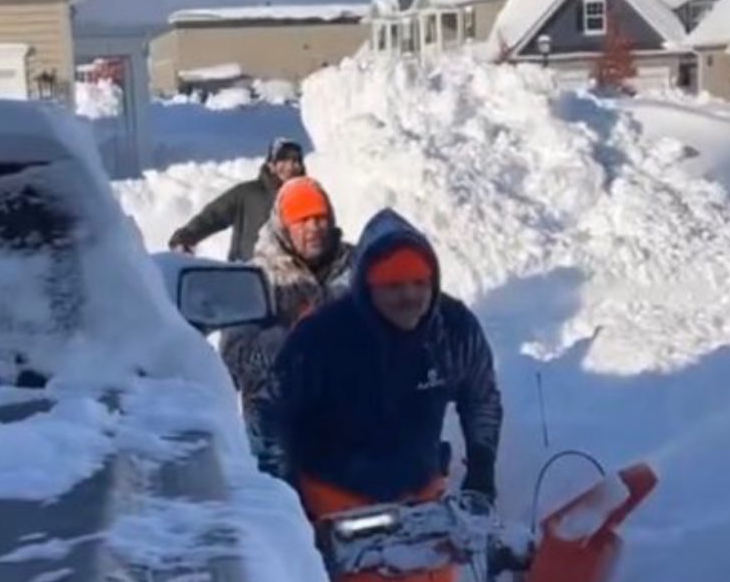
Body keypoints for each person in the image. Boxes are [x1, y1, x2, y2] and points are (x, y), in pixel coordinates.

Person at [252, 208, 501, 521]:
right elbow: (269, 415)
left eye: (419, 283)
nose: (409, 296)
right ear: (367, 290)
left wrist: (482, 471)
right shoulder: (321, 336)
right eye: (393, 286)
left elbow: (481, 398)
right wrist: (286, 501)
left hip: (421, 503)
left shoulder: (453, 329)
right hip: (331, 506)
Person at [222, 175, 352, 434]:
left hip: (350, 425)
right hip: (277, 431)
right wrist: (291, 337)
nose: (314, 227)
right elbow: (233, 362)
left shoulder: (358, 267)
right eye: (302, 220)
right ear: (284, 227)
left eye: (320, 217)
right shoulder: (256, 279)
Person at [167, 136, 307, 262]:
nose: (290, 167)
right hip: (249, 275)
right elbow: (213, 215)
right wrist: (185, 237)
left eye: (295, 161)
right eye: (283, 160)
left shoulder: (307, 199)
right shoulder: (247, 194)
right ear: (271, 165)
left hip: (293, 280)